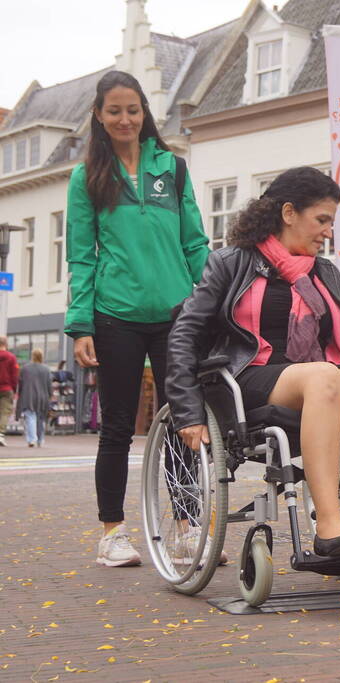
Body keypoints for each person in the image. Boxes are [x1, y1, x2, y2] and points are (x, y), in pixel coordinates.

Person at [166, 166, 340, 558]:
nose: (328, 231)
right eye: (322, 220)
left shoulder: (323, 273)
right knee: (323, 375)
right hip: (248, 381)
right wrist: (187, 410)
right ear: (288, 214)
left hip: (319, 386)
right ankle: (329, 526)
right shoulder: (230, 263)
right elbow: (185, 333)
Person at [64, 70, 210, 567]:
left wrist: (214, 303)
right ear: (99, 117)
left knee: (183, 423)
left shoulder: (174, 168)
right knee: (118, 427)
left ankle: (188, 528)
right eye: (114, 111)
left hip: (176, 316)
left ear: (144, 112)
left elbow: (195, 243)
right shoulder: (86, 178)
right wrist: (81, 322)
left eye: (133, 109)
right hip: (115, 317)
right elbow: (82, 255)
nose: (124, 119)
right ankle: (113, 534)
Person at [16, 349, 51, 448]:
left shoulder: (25, 368)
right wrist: (50, 395)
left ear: (32, 356)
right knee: (41, 419)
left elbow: (21, 384)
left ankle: (32, 439)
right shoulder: (46, 369)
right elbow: (49, 385)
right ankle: (40, 440)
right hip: (43, 397)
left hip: (28, 396)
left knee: (30, 417)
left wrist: (20, 395)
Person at [0, 337, 18, 446]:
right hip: (7, 389)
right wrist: (14, 389)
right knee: (5, 412)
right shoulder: (11, 357)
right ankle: (0, 434)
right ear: (6, 344)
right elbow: (14, 376)